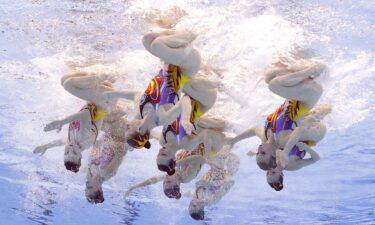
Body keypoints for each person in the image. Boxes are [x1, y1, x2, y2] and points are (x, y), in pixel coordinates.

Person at [35, 67, 135, 172]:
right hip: (106, 101)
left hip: (98, 100)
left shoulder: (73, 143)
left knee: (64, 79)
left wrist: (45, 146)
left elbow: (62, 141)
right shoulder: (84, 139)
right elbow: (85, 114)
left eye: (66, 153)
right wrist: (62, 122)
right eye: (74, 153)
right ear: (80, 156)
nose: (70, 150)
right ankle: (108, 75)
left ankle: (97, 75)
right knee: (68, 85)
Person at [126, 28, 202, 150]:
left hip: (171, 61)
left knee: (147, 39)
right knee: (157, 45)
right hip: (186, 67)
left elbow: (135, 94)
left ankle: (177, 32)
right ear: (139, 129)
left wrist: (109, 95)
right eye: (128, 128)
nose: (127, 124)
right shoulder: (163, 118)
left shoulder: (141, 112)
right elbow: (185, 100)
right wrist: (185, 119)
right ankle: (191, 34)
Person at [124, 144, 205, 199]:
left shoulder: (173, 175)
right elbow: (200, 158)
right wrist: (179, 162)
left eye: (164, 182)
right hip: (203, 144)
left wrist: (133, 188)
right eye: (168, 182)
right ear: (177, 184)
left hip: (192, 142)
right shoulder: (187, 176)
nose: (165, 179)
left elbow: (152, 181)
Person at [188, 146, 240, 220]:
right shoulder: (211, 200)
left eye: (190, 206)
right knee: (209, 152)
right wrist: (211, 185)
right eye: (194, 206)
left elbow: (190, 192)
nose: (192, 203)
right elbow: (230, 183)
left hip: (218, 164)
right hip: (229, 165)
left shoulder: (196, 196)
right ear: (201, 208)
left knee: (201, 152)